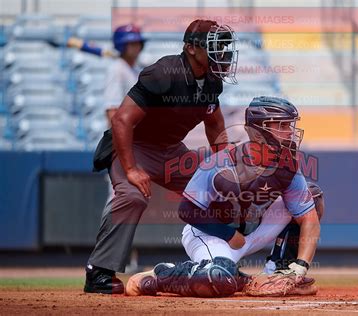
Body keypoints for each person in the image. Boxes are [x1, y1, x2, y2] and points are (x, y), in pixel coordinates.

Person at [84, 19, 239, 294]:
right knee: (132, 196)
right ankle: (99, 272)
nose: (223, 52)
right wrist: (130, 168)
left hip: (171, 150)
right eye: (215, 46)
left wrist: (224, 165)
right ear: (191, 48)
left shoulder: (213, 81)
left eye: (224, 46)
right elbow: (121, 120)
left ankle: (220, 262)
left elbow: (214, 123)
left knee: (220, 189)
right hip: (136, 147)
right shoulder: (163, 73)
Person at [125, 96, 324, 298]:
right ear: (259, 130)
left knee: (312, 197)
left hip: (251, 231)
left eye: (290, 125)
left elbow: (308, 218)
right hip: (211, 235)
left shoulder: (287, 165)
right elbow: (186, 210)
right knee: (218, 278)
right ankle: (162, 274)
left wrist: (300, 267)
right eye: (282, 125)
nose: (290, 132)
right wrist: (227, 235)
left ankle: (279, 273)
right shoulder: (221, 164)